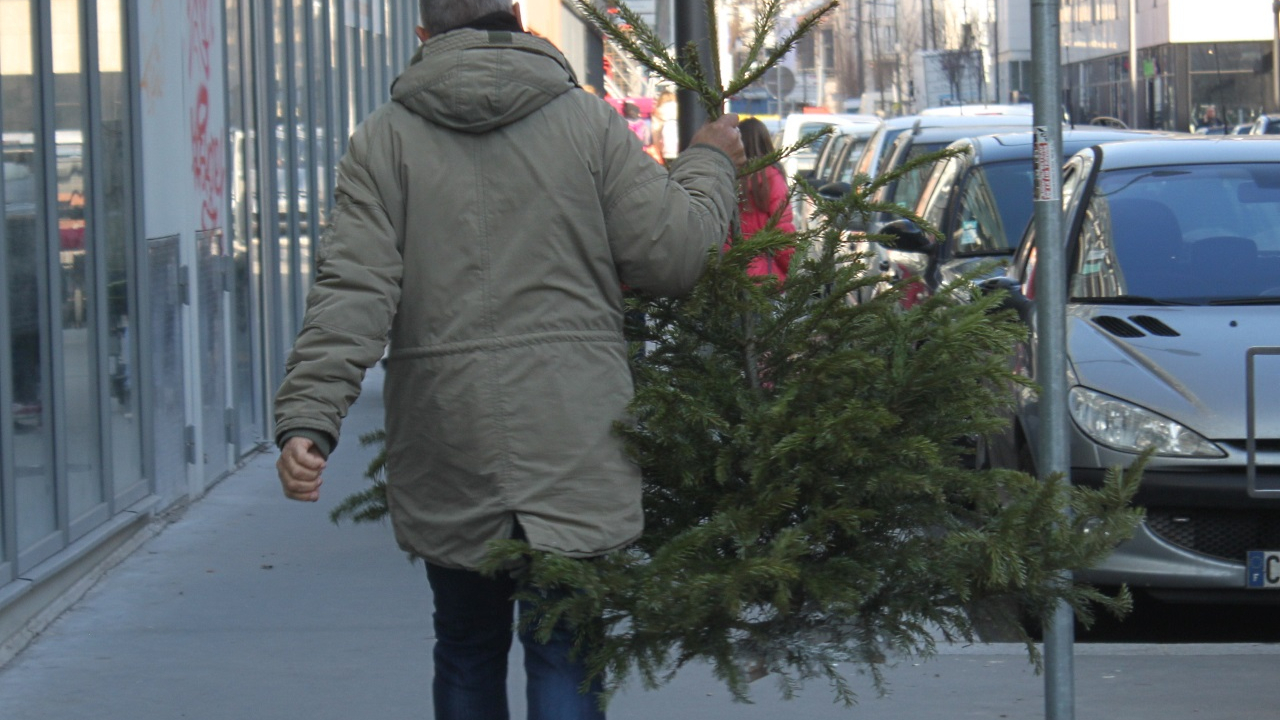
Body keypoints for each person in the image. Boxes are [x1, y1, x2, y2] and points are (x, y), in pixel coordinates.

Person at [272, 2, 745, 719]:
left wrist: (309, 418)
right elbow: (674, 254)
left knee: (465, 645)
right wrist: (710, 161)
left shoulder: (384, 141)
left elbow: (354, 291)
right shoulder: (586, 124)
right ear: (522, 20)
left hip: (448, 437)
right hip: (574, 434)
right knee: (565, 646)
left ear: (423, 36)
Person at [724, 117, 795, 283]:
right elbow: (782, 230)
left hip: (729, 273)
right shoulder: (771, 177)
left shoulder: (727, 177)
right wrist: (792, 266)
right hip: (765, 277)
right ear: (766, 142)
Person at [653, 90, 680, 165]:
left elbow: (656, 134)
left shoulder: (658, 113)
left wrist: (658, 149)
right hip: (682, 148)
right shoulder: (682, 110)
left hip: (667, 149)